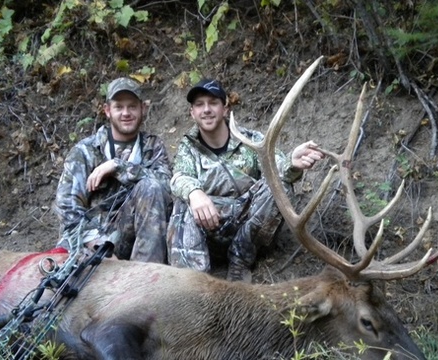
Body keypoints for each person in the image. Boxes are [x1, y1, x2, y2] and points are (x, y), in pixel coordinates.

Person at [167, 79, 324, 282]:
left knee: (279, 185)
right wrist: (195, 193)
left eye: (213, 102)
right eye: (199, 104)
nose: (206, 109)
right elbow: (180, 176)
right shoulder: (188, 147)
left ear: (225, 108)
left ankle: (240, 262)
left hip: (248, 233)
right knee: (184, 201)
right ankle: (191, 280)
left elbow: (279, 168)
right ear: (192, 112)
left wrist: (292, 164)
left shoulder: (251, 139)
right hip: (209, 231)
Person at [55, 77, 172, 263]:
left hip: (139, 239)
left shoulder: (152, 146)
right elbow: (67, 208)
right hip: (94, 240)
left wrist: (119, 166)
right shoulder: (85, 151)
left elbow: (168, 186)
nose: (126, 113)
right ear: (107, 111)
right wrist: (98, 246)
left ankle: (145, 278)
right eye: (119, 107)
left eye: (132, 106)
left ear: (143, 109)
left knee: (151, 187)